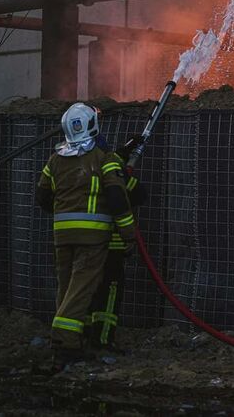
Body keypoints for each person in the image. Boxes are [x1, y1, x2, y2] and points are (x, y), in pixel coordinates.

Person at [35, 103, 137, 370]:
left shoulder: (54, 160)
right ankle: (65, 342)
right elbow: (117, 198)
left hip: (62, 236)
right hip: (92, 239)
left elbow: (42, 197)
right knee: (81, 289)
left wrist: (65, 213)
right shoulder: (103, 158)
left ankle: (69, 339)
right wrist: (128, 235)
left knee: (66, 287)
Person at [86, 135, 145, 353]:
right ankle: (102, 341)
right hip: (110, 245)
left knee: (84, 290)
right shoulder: (112, 172)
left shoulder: (78, 169)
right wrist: (130, 236)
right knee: (109, 292)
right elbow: (136, 195)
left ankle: (82, 337)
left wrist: (123, 154)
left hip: (83, 245)